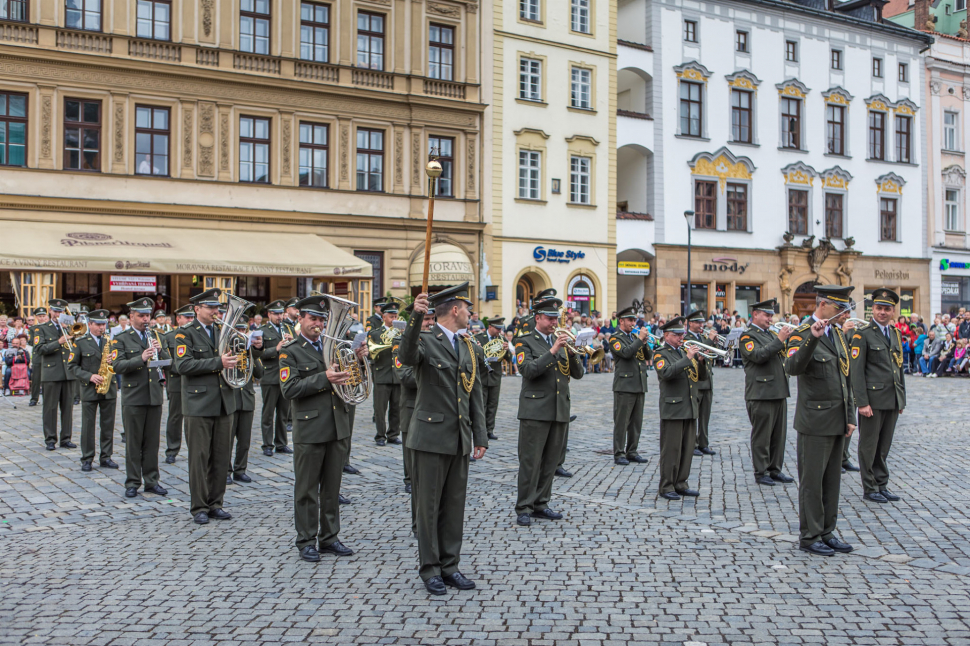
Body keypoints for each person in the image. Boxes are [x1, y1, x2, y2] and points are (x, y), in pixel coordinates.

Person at [398, 283, 487, 596]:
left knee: (453, 506)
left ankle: (450, 566)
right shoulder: (425, 340)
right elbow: (406, 356)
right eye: (467, 308)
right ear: (454, 309)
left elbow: (474, 391)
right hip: (430, 437)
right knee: (428, 507)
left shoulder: (467, 346)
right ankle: (430, 569)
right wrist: (415, 317)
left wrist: (480, 435)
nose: (470, 314)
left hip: (459, 438)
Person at [280, 296, 362, 562]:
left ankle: (329, 537)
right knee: (306, 488)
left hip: (337, 425)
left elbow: (350, 381)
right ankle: (305, 540)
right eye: (313, 319)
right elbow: (289, 389)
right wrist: (323, 378)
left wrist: (359, 362)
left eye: (321, 320)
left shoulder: (333, 346)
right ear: (301, 319)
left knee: (331, 488)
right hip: (310, 428)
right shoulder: (290, 350)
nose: (318, 324)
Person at [174, 289, 258, 524]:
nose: (215, 312)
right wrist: (218, 362)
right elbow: (183, 365)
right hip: (199, 404)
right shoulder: (185, 334)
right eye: (210, 308)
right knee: (199, 458)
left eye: (217, 308)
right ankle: (199, 506)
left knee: (221, 457)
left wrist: (251, 348)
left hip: (225, 402)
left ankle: (216, 503)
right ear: (196, 309)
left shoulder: (226, 332)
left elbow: (242, 362)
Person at [785, 284, 856, 557]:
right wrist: (812, 339)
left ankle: (827, 531)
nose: (844, 314)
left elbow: (844, 378)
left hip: (837, 419)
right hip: (814, 419)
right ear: (823, 305)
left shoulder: (838, 334)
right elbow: (792, 367)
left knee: (832, 482)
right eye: (841, 309)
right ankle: (810, 535)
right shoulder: (803, 333)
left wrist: (850, 417)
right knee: (812, 483)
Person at [513, 293, 584, 526]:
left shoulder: (561, 340)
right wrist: (553, 351)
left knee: (551, 462)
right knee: (531, 461)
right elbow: (528, 370)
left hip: (559, 409)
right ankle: (524, 506)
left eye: (557, 318)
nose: (555, 323)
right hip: (535, 409)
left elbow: (578, 374)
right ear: (538, 317)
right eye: (550, 318)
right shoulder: (524, 341)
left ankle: (541, 503)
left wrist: (573, 354)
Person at [849, 288, 906, 505]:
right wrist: (861, 402)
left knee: (884, 445)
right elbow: (856, 371)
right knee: (869, 445)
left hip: (891, 399)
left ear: (893, 311)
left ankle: (881, 483)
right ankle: (870, 487)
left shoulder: (895, 334)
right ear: (872, 309)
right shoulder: (862, 334)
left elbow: (898, 369)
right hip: (872, 401)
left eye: (887, 309)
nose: (882, 312)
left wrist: (901, 399)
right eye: (879, 308)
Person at [111, 298, 170, 498]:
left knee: (152, 443)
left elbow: (169, 362)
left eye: (147, 315)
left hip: (154, 395)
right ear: (132, 317)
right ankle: (133, 482)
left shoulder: (155, 335)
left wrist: (160, 350)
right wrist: (141, 358)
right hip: (134, 396)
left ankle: (152, 481)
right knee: (134, 443)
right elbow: (117, 366)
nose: (146, 319)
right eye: (141, 316)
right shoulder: (120, 339)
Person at [738, 300, 794, 486]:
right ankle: (761, 471)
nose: (770, 318)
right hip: (761, 393)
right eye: (766, 315)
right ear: (755, 315)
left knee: (778, 435)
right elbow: (758, 355)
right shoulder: (747, 337)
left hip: (778, 390)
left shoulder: (770, 334)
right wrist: (779, 340)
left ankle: (775, 469)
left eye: (771, 315)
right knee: (762, 435)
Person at [653, 317, 706, 500]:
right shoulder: (661, 353)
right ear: (666, 335)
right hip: (673, 408)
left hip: (689, 406)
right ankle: (667, 486)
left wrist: (701, 361)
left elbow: (700, 377)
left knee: (687, 448)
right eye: (677, 335)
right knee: (672, 450)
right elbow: (666, 373)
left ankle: (681, 483)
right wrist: (688, 358)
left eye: (682, 334)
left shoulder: (684, 352)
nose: (681, 338)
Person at [66, 309, 118, 473]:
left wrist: (113, 362)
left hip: (108, 388)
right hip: (89, 389)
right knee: (88, 426)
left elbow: (121, 364)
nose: (102, 327)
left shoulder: (111, 341)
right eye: (98, 324)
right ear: (90, 325)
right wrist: (89, 376)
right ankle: (87, 458)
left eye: (104, 324)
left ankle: (106, 457)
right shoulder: (80, 343)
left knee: (108, 425)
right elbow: (72, 366)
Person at [393, 302, 435, 502]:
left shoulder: (435, 341)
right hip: (411, 404)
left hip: (432, 406)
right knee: (410, 448)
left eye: (431, 318)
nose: (429, 323)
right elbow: (405, 376)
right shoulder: (400, 342)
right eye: (426, 319)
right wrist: (433, 377)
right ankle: (409, 479)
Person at [607, 307, 650, 465]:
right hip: (624, 385)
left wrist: (644, 343)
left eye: (634, 320)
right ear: (621, 321)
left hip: (639, 383)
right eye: (630, 320)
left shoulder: (634, 337)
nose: (633, 323)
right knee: (622, 421)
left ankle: (632, 451)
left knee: (636, 422)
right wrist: (639, 340)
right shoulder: (615, 338)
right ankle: (619, 453)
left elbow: (648, 356)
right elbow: (625, 353)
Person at [35, 299, 76, 450]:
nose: (58, 314)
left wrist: (70, 332)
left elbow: (77, 346)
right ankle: (50, 439)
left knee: (68, 408)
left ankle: (66, 438)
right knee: (50, 408)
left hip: (68, 372)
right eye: (56, 311)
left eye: (61, 312)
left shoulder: (70, 328)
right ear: (50, 311)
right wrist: (58, 342)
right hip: (51, 372)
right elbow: (39, 349)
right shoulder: (42, 329)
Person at [227, 314, 263, 485]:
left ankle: (240, 469)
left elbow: (260, 373)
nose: (241, 333)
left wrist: (252, 353)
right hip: (231, 397)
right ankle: (226, 470)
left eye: (244, 330)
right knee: (226, 438)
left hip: (246, 398)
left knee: (244, 439)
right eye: (238, 330)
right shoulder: (227, 349)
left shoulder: (249, 351)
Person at [257, 299, 293, 456]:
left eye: (281, 314)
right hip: (270, 375)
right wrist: (276, 348)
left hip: (285, 376)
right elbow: (258, 354)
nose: (279, 317)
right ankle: (267, 444)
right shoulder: (262, 331)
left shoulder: (288, 328)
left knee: (283, 413)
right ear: (269, 314)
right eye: (276, 314)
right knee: (268, 412)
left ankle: (281, 442)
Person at [163, 305, 195, 464]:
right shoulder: (169, 337)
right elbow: (166, 362)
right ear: (178, 319)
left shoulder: (197, 335)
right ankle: (172, 450)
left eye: (191, 317)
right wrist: (186, 368)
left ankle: (194, 449)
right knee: (175, 418)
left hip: (195, 382)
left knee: (195, 418)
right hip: (176, 382)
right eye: (186, 317)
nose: (190, 320)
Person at [369, 300, 402, 446]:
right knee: (380, 408)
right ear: (384, 317)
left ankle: (393, 434)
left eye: (395, 317)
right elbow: (371, 352)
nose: (394, 319)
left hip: (397, 375)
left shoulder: (401, 332)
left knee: (397, 408)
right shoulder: (376, 333)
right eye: (391, 317)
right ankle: (380, 435)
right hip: (382, 373)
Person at [686, 310, 717, 457]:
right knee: (695, 416)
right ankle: (693, 444)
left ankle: (703, 443)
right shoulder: (687, 338)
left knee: (705, 416)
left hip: (707, 381)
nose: (700, 325)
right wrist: (710, 341)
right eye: (697, 322)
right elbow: (700, 354)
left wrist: (713, 342)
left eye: (701, 322)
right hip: (696, 382)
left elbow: (710, 354)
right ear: (690, 323)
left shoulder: (703, 337)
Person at [474, 317, 508, 441]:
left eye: (501, 329)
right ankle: (481, 430)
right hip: (482, 375)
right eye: (497, 329)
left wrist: (507, 350)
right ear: (490, 327)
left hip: (495, 376)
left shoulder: (502, 340)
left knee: (493, 404)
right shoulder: (479, 338)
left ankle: (489, 430)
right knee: (481, 404)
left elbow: (508, 359)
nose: (499, 331)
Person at [27, 307, 48, 406]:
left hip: (48, 354)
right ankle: (34, 398)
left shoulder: (49, 327)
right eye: (40, 316)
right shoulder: (33, 328)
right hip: (38, 354)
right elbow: (31, 342)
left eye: (43, 316)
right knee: (36, 378)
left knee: (47, 378)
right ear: (36, 317)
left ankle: (47, 398)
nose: (42, 318)